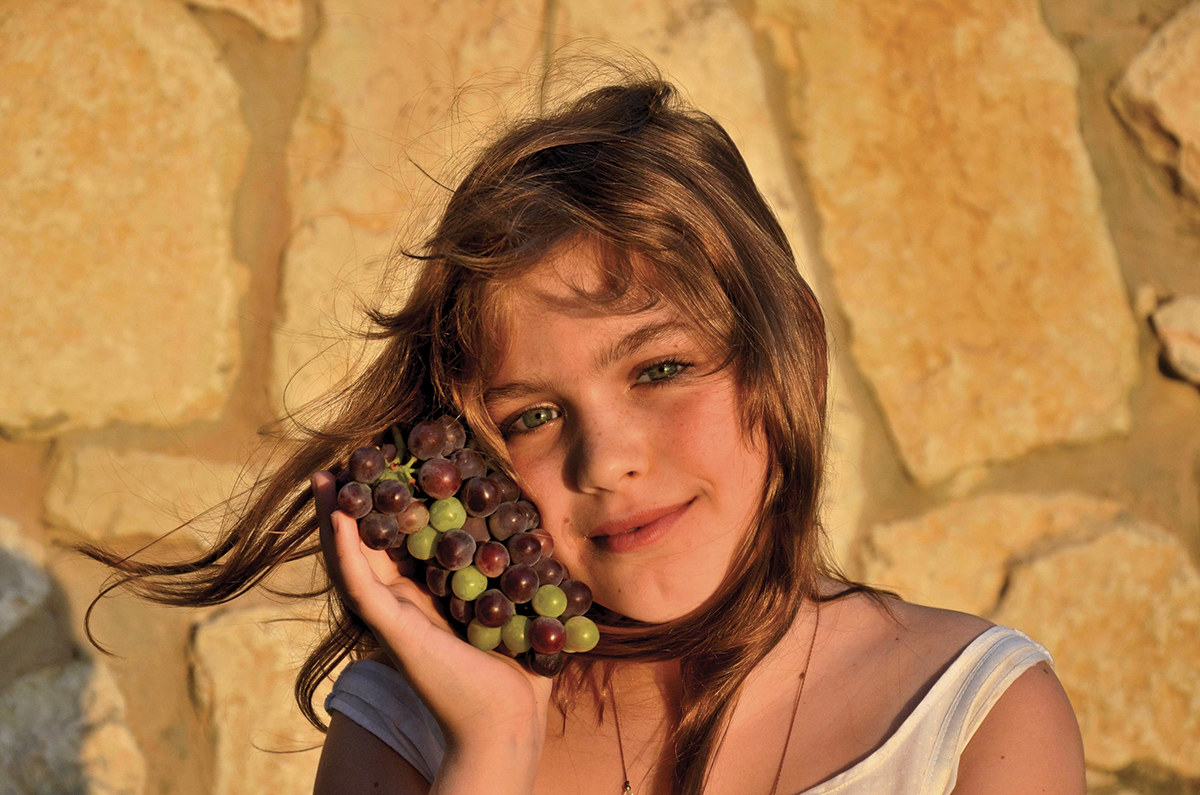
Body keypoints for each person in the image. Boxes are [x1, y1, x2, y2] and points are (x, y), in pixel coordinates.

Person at [86, 77, 1086, 795]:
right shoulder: (410, 726)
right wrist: (492, 754)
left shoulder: (970, 722)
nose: (605, 458)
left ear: (789, 353)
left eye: (660, 369)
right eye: (533, 416)